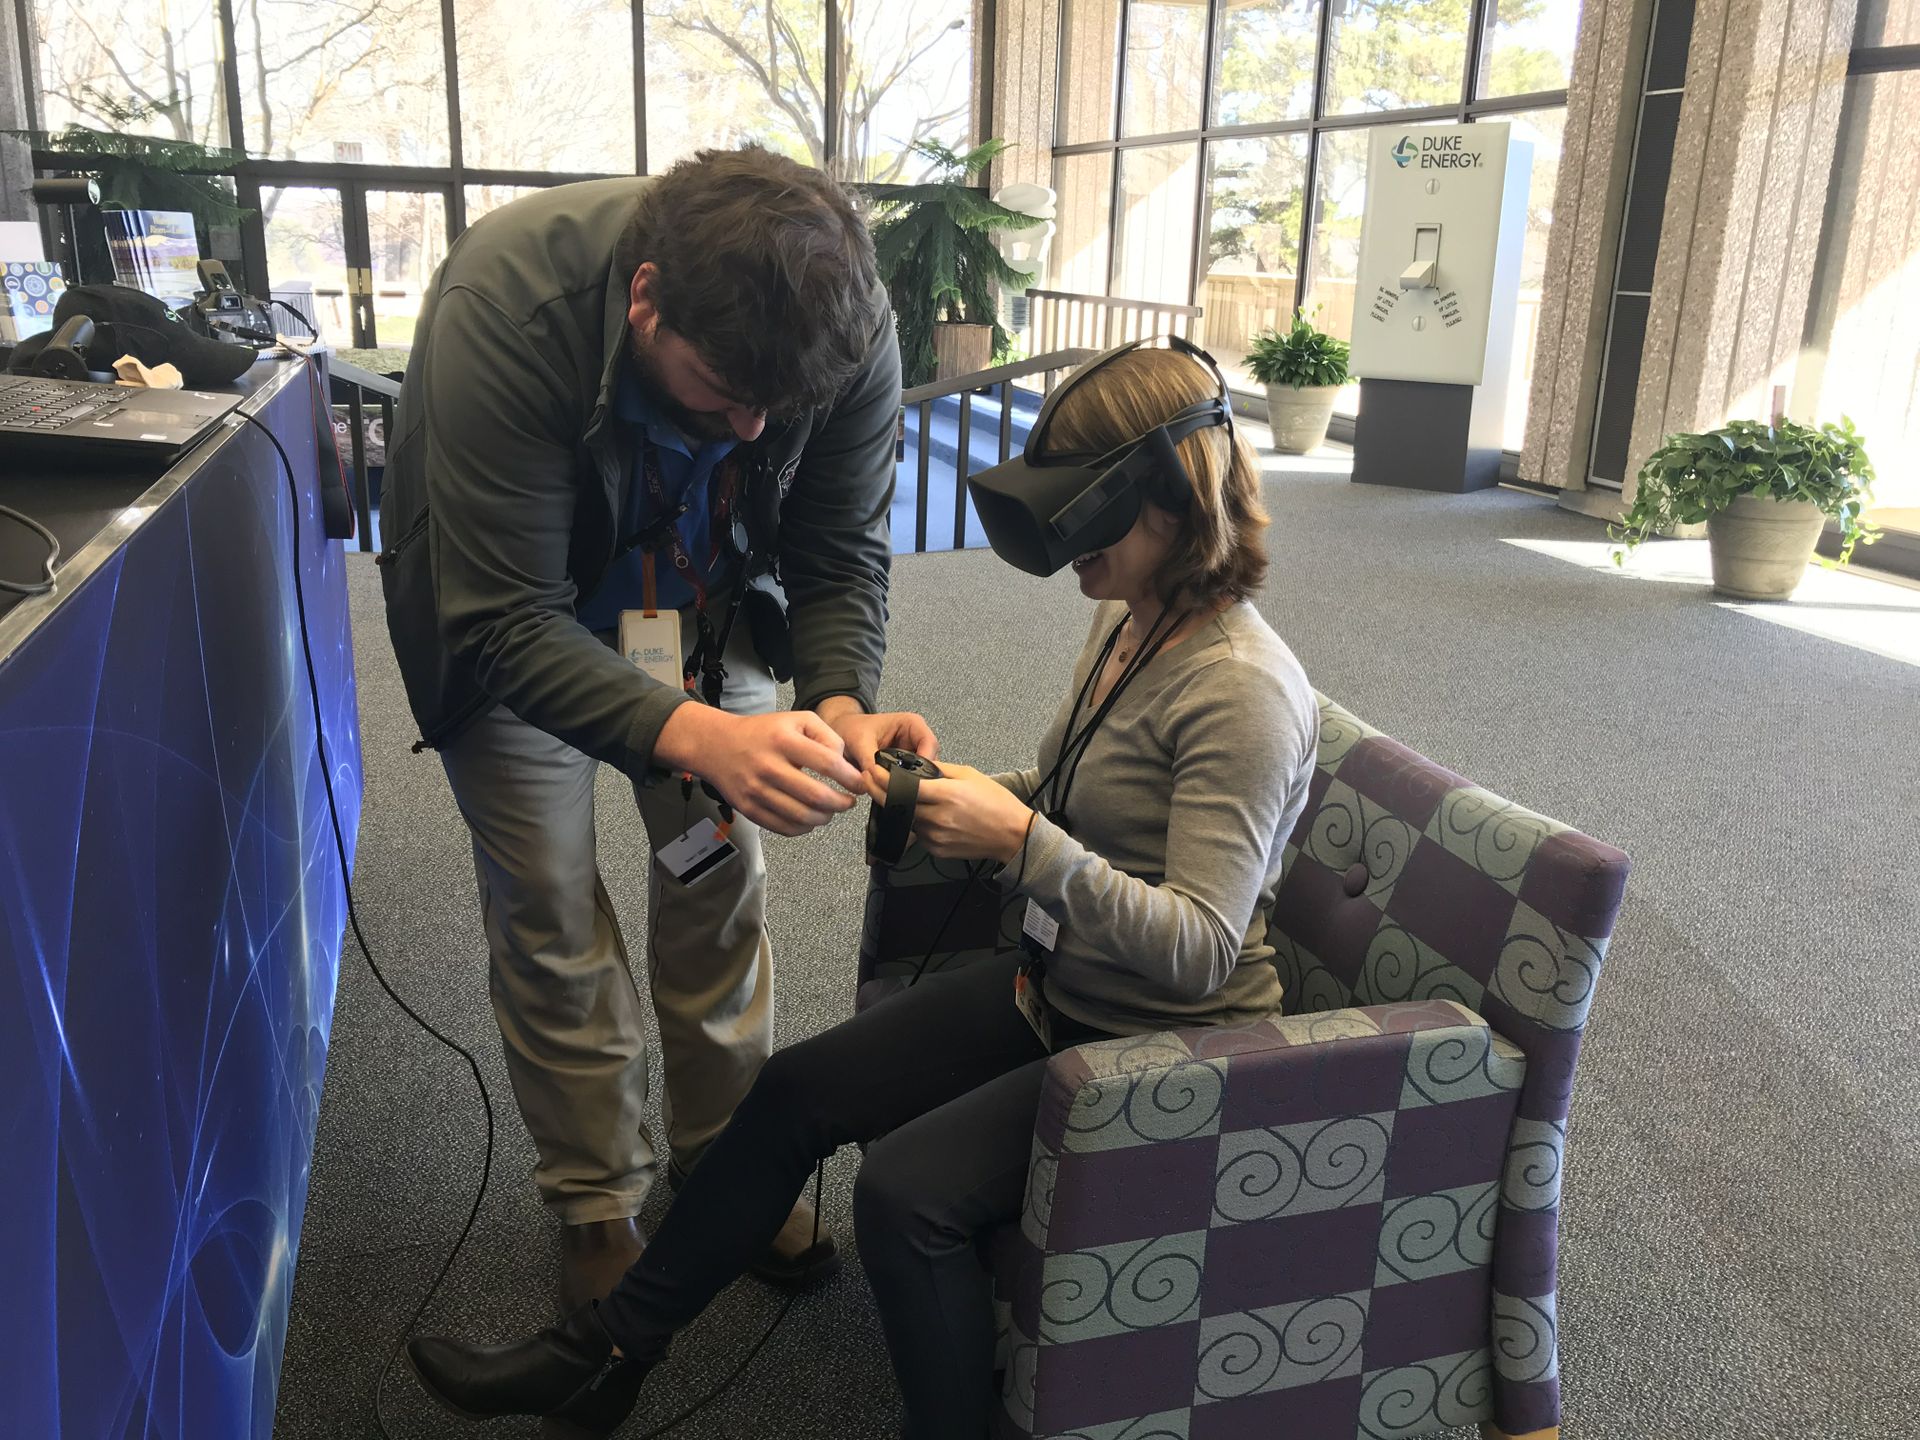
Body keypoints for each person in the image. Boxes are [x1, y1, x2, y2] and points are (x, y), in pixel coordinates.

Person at [403, 340, 1321, 1438]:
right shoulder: (1135, 621)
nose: (1066, 547)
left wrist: (1020, 836)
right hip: (1062, 987)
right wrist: (958, 792)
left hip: (1168, 1041)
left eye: (1089, 519)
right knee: (792, 1092)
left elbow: (1202, 949)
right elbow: (1086, 798)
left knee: (905, 1200)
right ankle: (605, 1358)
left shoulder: (1243, 693)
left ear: (1173, 499)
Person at [378, 146, 933, 1311]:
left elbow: (838, 550)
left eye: (775, 408)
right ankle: (594, 1199)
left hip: (699, 596)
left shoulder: (848, 326)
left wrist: (837, 696)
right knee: (548, 902)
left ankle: (727, 1153)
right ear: (644, 300)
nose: (749, 424)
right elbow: (501, 620)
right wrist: (691, 735)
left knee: (717, 873)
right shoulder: (509, 305)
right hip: (522, 615)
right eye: (721, 390)